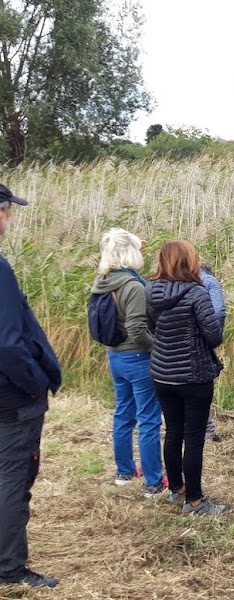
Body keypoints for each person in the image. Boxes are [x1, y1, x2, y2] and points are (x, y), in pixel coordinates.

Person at [0, 185, 61, 588]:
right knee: (14, 478)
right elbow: (7, 344)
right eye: (8, 211)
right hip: (12, 396)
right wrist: (36, 382)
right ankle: (9, 568)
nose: (10, 219)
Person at [147, 240, 226, 515]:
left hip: (162, 374)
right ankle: (195, 501)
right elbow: (214, 336)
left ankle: (176, 489)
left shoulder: (149, 290)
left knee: (172, 432)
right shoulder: (197, 293)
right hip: (194, 376)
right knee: (193, 438)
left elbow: (151, 327)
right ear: (190, 261)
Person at [91, 228, 165, 496]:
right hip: (137, 357)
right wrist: (157, 347)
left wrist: (131, 244)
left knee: (123, 413)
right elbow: (136, 328)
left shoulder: (103, 280)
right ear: (129, 253)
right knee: (149, 419)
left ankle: (124, 472)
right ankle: (153, 482)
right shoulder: (133, 286)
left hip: (115, 356)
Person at [200, 262, 225, 443]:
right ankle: (207, 431)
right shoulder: (210, 281)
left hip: (169, 347)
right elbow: (219, 312)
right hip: (200, 343)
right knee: (201, 386)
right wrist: (214, 337)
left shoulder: (170, 280)